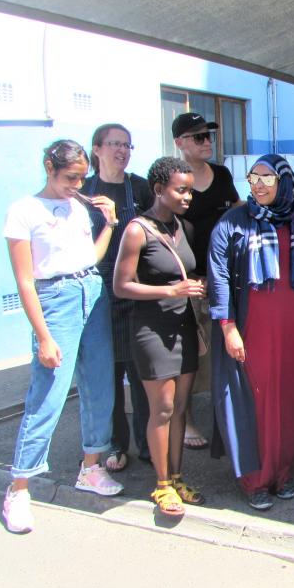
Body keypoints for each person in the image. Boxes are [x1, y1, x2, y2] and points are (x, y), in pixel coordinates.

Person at [1, 140, 123, 534]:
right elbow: (24, 281)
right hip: (54, 299)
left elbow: (90, 257)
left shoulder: (78, 206)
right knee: (48, 394)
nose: (77, 184)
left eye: (82, 177)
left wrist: (111, 225)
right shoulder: (24, 210)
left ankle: (91, 466)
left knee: (99, 385)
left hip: (91, 290)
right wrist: (43, 336)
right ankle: (19, 486)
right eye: (70, 177)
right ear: (48, 167)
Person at [207, 154, 294, 510]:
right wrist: (228, 328)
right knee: (253, 399)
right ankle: (254, 478)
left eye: (268, 178)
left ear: (284, 183)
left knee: (290, 398)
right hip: (252, 329)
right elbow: (219, 277)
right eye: (253, 176)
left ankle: (282, 472)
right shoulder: (233, 223)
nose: (258, 184)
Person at [113, 157, 206, 517]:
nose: (187, 196)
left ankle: (179, 477)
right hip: (152, 330)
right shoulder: (138, 229)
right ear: (158, 190)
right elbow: (121, 286)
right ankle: (162, 485)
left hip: (183, 325)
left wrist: (198, 286)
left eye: (190, 190)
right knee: (163, 409)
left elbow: (188, 272)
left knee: (182, 407)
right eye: (180, 190)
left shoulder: (184, 228)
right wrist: (170, 292)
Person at [85, 122, 154, 469]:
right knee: (107, 374)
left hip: (135, 292)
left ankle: (146, 443)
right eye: (114, 144)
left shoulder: (139, 189)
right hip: (98, 296)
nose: (122, 151)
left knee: (142, 374)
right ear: (96, 149)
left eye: (127, 145)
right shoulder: (83, 192)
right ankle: (114, 444)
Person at [173, 111, 239, 450]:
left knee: (221, 352)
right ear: (180, 143)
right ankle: (184, 421)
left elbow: (239, 211)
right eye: (198, 137)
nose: (207, 142)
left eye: (209, 135)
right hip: (188, 281)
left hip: (224, 279)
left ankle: (223, 419)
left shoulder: (224, 174)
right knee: (188, 356)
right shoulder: (174, 178)